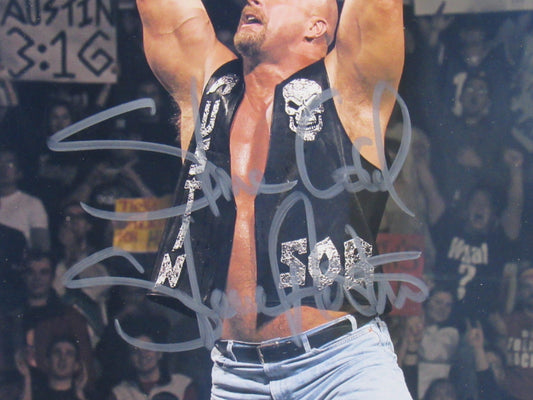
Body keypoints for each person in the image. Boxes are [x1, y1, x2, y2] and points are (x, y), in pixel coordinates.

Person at [137, 0, 410, 398]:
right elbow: (161, 13)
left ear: (316, 26)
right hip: (236, 376)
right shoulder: (208, 87)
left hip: (342, 369)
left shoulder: (349, 86)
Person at [16, 335, 91, 400]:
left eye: (69, 354)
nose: (63, 358)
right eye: (57, 352)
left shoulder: (86, 395)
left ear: (76, 365)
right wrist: (27, 378)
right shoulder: (35, 393)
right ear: (47, 362)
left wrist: (79, 393)